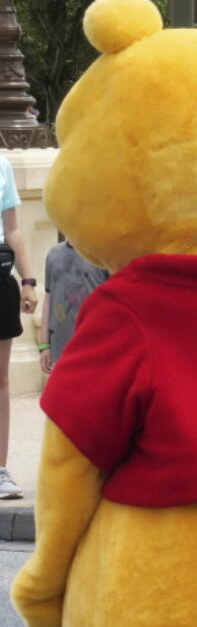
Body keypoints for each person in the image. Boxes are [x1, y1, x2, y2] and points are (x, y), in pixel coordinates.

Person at [0, 156, 36, 499]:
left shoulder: (1, 165)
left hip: (0, 276)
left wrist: (28, 280)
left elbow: (12, 229)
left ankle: (0, 470)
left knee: (1, 378)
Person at [37, 240, 108, 373]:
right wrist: (44, 345)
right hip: (60, 346)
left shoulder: (102, 255)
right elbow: (47, 302)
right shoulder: (53, 254)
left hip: (94, 345)